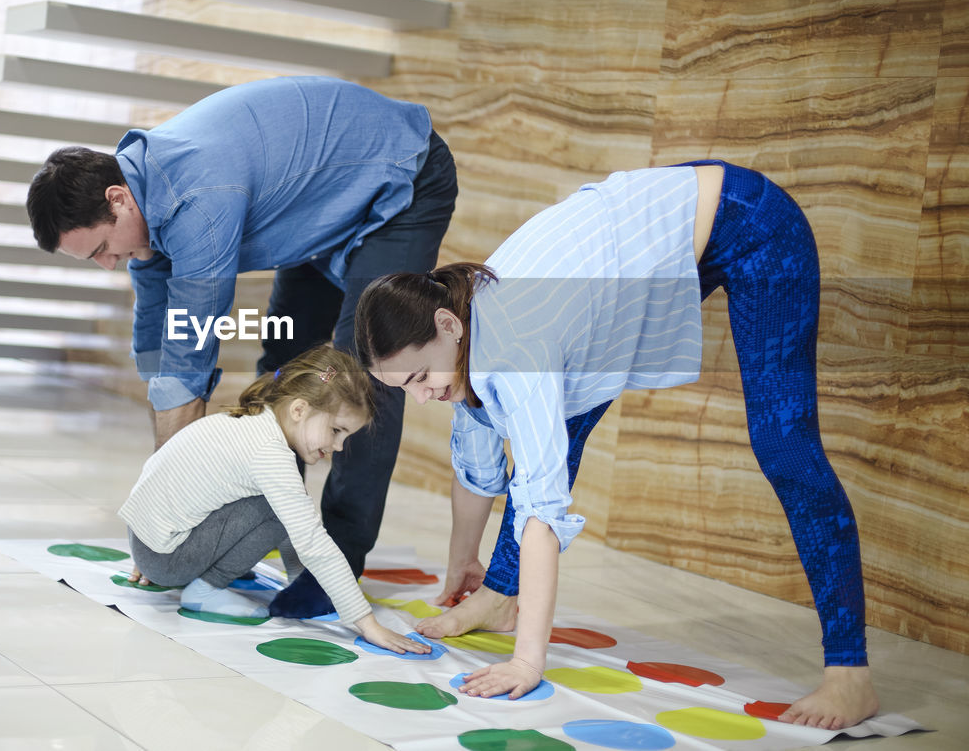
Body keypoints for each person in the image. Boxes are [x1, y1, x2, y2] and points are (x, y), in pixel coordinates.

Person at [354, 161, 879, 730]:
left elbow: (541, 509)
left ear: (447, 326)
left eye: (419, 379)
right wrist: (463, 566)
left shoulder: (516, 349)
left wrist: (528, 661)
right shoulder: (461, 327)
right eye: (406, 388)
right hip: (645, 241)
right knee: (553, 427)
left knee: (785, 447)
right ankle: (500, 593)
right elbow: (477, 464)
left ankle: (850, 674)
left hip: (749, 221)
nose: (423, 397)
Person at [27, 76, 457, 617]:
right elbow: (159, 357)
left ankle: (337, 563)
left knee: (363, 372)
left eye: (101, 250)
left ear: (118, 199)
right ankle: (274, 528)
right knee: (284, 370)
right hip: (324, 207)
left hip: (402, 178)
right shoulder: (146, 210)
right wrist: (164, 515)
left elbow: (191, 356)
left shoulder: (196, 199)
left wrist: (174, 526)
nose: (108, 264)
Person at [118, 344, 431, 655]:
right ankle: (206, 589)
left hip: (149, 544)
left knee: (284, 504)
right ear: (298, 410)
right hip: (165, 558)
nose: (338, 446)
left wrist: (298, 579)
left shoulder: (254, 422)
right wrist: (368, 624)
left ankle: (217, 572)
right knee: (282, 508)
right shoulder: (269, 453)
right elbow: (311, 540)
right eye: (336, 430)